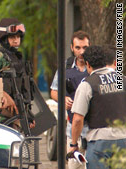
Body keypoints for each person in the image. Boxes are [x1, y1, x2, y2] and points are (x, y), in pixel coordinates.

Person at [68, 45, 126, 169]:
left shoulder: (87, 84)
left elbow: (78, 119)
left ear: (88, 64)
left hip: (99, 142)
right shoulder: (123, 80)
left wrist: (73, 144)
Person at [0, 18, 35, 129]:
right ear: (4, 38)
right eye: (12, 37)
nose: (16, 40)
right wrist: (3, 94)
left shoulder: (18, 58)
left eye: (18, 37)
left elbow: (23, 89)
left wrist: (28, 116)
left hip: (16, 118)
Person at [50, 30, 90, 169]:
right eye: (78, 47)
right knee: (74, 166)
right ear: (71, 47)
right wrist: (63, 99)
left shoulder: (96, 66)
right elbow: (54, 91)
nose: (81, 52)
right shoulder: (65, 67)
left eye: (85, 47)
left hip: (94, 130)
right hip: (73, 131)